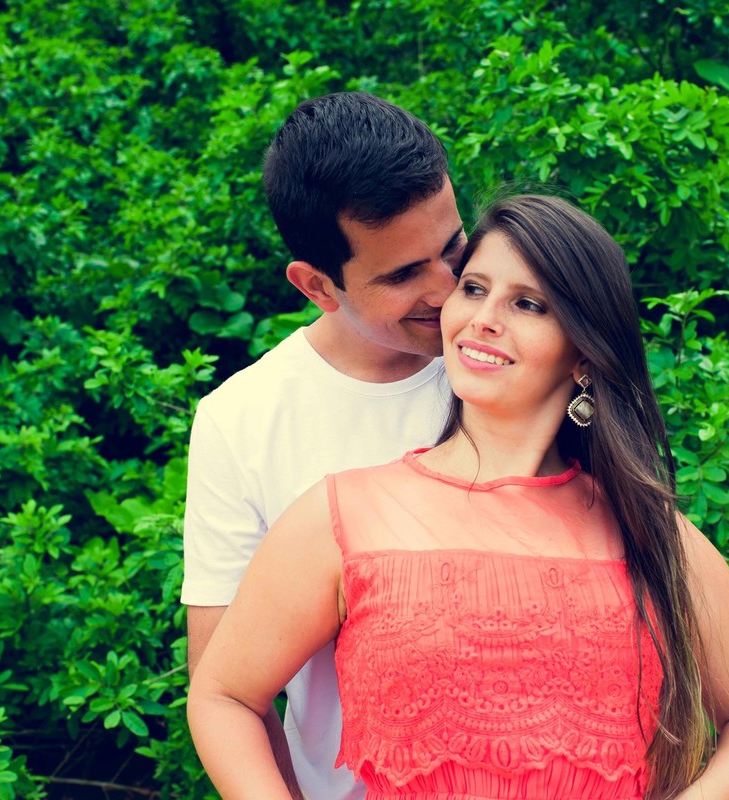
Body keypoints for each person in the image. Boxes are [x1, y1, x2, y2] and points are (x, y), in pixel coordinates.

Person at [187, 194, 729, 799]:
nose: (482, 318)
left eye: (528, 304)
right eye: (474, 289)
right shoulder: (341, 515)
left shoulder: (647, 530)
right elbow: (224, 695)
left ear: (584, 353)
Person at [180, 91, 465, 800]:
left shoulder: (516, 353)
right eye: (403, 274)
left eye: (454, 247)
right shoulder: (242, 421)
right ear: (317, 286)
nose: (450, 287)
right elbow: (225, 688)